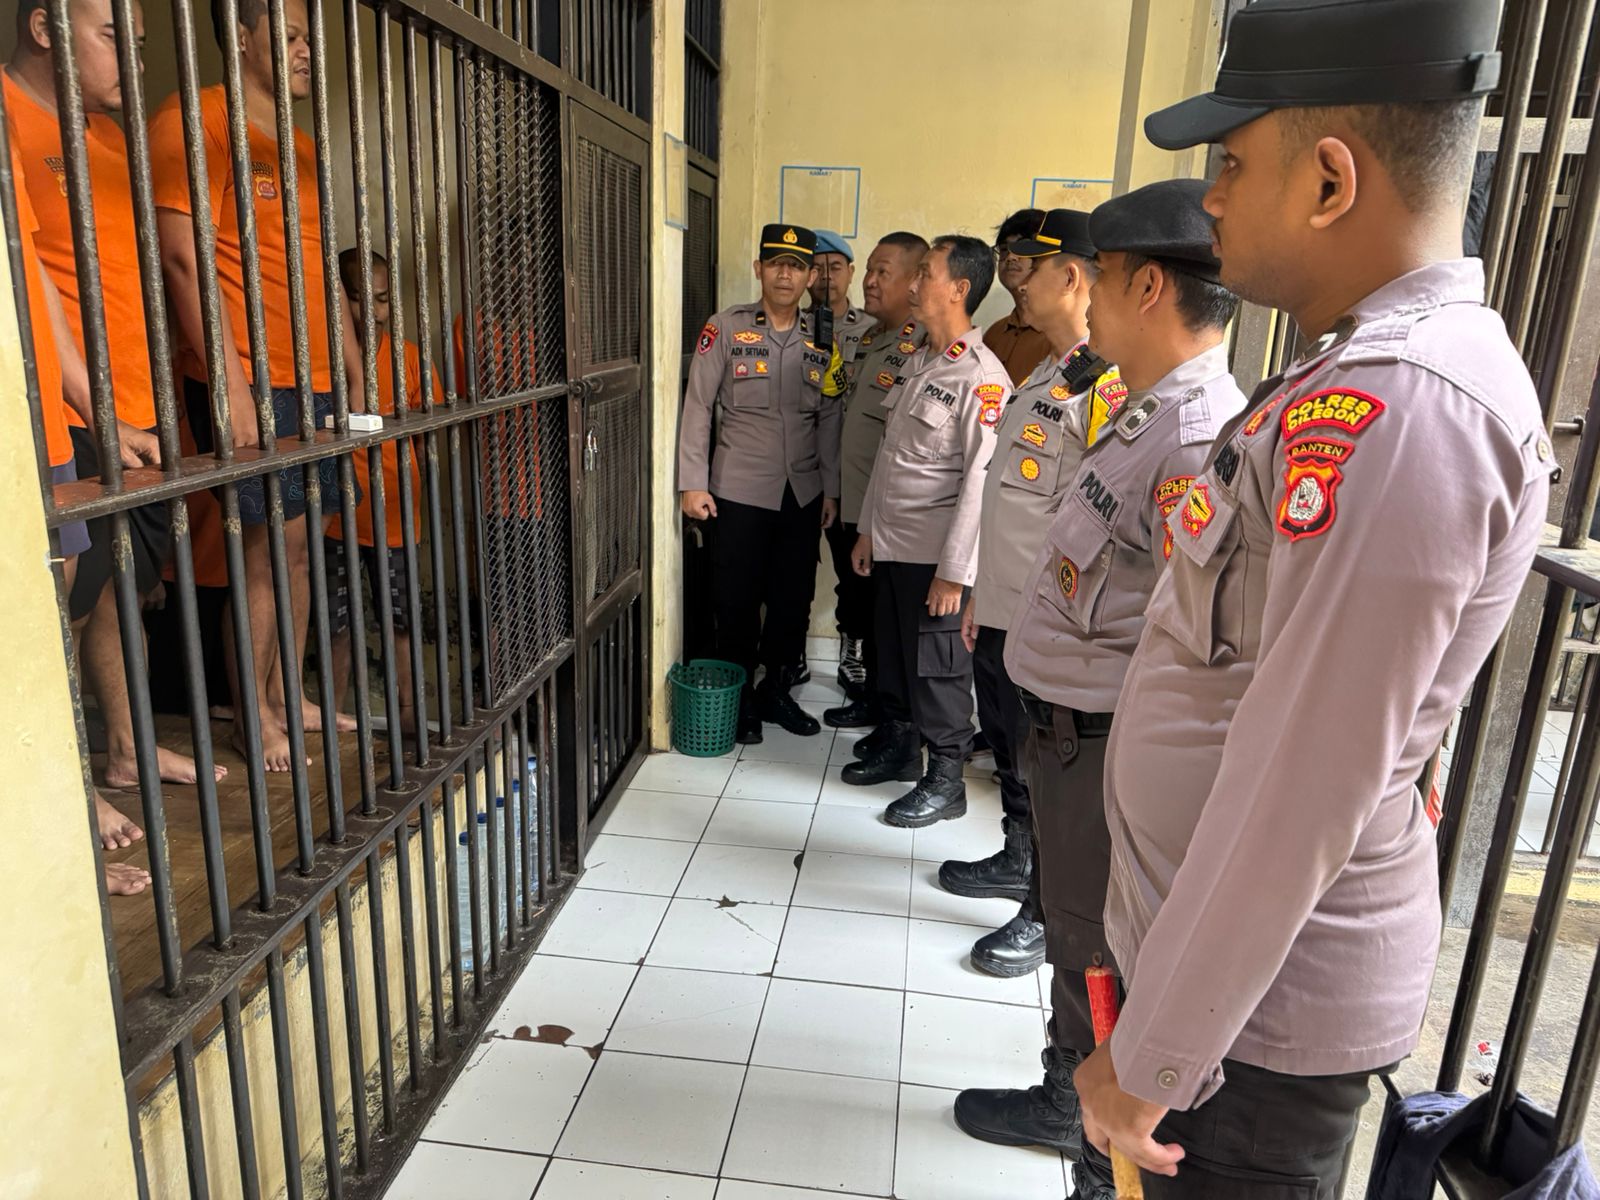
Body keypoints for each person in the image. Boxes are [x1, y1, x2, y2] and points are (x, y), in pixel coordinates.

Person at [1073, 3, 1552, 1197]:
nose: (1212, 198)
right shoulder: (1349, 367)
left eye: (1233, 164)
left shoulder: (1404, 406)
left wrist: (1155, 1054)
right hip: (1216, 997)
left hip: (1246, 1042)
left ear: (1330, 181)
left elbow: (1302, 781)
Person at [953, 181, 1244, 1200]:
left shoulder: (1195, 434)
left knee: (1095, 958)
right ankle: (1066, 1097)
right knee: (1077, 937)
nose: (1081, 296)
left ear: (1146, 286)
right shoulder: (1140, 408)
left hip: (1107, 742)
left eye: (1100, 278)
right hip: (1070, 733)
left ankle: (1090, 1155)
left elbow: (1184, 636)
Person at [6, 0, 232, 802]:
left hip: (134, 405)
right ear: (45, 29)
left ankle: (129, 752)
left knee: (119, 587)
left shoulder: (107, 140)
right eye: (114, 39)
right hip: (63, 413)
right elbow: (35, 286)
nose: (134, 66)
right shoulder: (8, 117)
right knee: (62, 603)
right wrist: (95, 412)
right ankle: (65, 794)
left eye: (139, 46)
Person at [151, 0, 365, 771]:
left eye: (311, 37)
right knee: (264, 552)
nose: (309, 51)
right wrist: (231, 386)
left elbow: (318, 268)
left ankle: (286, 693)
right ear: (242, 39)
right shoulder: (195, 121)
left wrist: (353, 364)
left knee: (302, 549)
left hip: (313, 378)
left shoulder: (300, 145)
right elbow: (183, 259)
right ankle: (253, 712)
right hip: (252, 374)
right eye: (292, 36)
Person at [937, 208, 1109, 978]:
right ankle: (1017, 860)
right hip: (1006, 606)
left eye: (1029, 268)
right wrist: (982, 593)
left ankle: (1045, 912)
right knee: (1012, 752)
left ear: (1070, 277)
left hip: (1048, 618)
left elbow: (1095, 526)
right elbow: (1010, 499)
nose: (1016, 281)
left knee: (1047, 772)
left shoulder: (1104, 386)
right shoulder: (1048, 371)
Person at [3, 89, 149, 896]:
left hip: (44, 421)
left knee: (56, 620)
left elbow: (36, 279)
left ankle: (65, 798)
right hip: (17, 420)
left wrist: (96, 412)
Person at [845, 235, 1008, 827]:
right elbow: (890, 458)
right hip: (893, 543)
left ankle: (945, 779)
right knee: (893, 654)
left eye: (926, 274)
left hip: (934, 556)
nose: (914, 285)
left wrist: (955, 574)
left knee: (939, 669)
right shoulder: (920, 360)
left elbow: (980, 484)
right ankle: (899, 744)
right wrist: (867, 530)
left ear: (959, 288)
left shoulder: (982, 378)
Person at [678, 224, 837, 744]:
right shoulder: (726, 328)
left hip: (803, 492)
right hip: (739, 489)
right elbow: (698, 406)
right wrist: (692, 483)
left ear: (810, 277)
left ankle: (776, 691)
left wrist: (832, 489)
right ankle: (741, 696)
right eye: (776, 263)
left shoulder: (823, 336)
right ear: (759, 269)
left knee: (793, 599)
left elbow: (829, 416)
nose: (785, 274)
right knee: (737, 598)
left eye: (797, 266)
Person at [324, 250, 441, 737]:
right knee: (335, 623)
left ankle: (410, 715)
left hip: (394, 516)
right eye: (357, 298)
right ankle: (331, 720)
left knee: (402, 619)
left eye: (382, 299)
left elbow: (429, 435)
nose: (372, 312)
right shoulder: (320, 360)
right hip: (333, 518)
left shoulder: (408, 358)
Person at [819, 231, 928, 729]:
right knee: (862, 604)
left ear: (914, 281)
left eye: (883, 272)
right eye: (869, 270)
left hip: (886, 513)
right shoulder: (871, 338)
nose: (870, 281)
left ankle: (894, 717)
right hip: (853, 501)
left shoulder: (922, 345)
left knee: (888, 619)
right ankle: (873, 700)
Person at [983, 207, 1051, 385]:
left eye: (1023, 248)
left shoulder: (1059, 335)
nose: (1010, 257)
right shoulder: (994, 333)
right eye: (1004, 249)